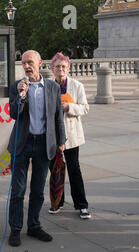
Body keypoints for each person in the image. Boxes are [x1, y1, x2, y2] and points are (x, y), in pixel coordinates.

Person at [7, 50, 66, 247]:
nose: (26, 66)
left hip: (44, 144)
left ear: (40, 63)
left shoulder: (52, 87)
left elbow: (58, 116)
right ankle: (16, 228)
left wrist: (61, 141)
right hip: (22, 143)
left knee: (38, 189)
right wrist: (21, 95)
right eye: (23, 63)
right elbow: (14, 113)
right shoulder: (17, 87)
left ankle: (33, 225)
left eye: (30, 62)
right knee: (18, 190)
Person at [49, 52, 90, 219]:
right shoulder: (49, 86)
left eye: (63, 66)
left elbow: (85, 108)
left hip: (71, 135)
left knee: (74, 169)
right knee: (55, 169)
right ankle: (58, 201)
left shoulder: (77, 86)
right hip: (53, 136)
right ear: (52, 69)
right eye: (57, 66)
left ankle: (81, 205)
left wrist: (69, 107)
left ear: (68, 68)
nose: (60, 69)